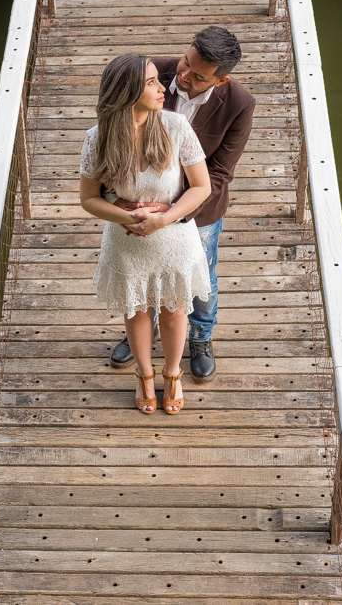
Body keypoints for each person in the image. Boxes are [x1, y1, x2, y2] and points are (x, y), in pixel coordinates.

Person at [107, 26, 256, 383]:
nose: (182, 75)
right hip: (139, 200)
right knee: (143, 270)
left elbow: (220, 171)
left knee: (202, 278)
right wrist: (126, 201)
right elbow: (114, 131)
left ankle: (201, 338)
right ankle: (144, 332)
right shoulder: (153, 73)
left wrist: (173, 211)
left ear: (220, 81)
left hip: (198, 211)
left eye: (198, 75)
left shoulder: (239, 103)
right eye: (185, 62)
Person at [79, 53, 212, 415]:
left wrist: (164, 217)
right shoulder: (98, 137)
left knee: (173, 310)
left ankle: (172, 374)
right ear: (126, 91)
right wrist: (131, 213)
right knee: (137, 310)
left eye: (158, 80)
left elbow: (202, 188)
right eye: (151, 82)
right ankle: (143, 374)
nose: (162, 87)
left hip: (173, 238)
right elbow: (88, 199)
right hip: (127, 240)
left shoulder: (175, 127)